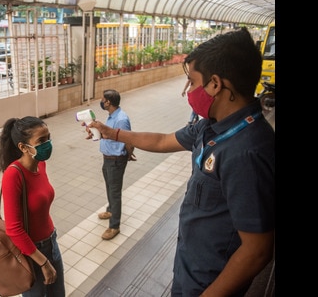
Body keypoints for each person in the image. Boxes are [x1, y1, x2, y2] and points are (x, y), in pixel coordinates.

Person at [86, 27, 274, 296]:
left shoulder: (247, 152)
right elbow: (163, 141)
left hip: (211, 280)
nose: (189, 91)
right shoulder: (210, 126)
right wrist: (111, 132)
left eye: (194, 82)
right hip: (190, 264)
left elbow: (257, 251)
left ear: (216, 84)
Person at [0, 116, 65, 296]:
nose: (47, 144)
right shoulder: (13, 175)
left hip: (51, 242)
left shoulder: (41, 165)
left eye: (48, 138)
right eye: (41, 141)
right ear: (23, 147)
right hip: (31, 253)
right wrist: (43, 262)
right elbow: (13, 229)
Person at [93, 89, 136, 240]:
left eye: (102, 99)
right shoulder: (112, 116)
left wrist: (129, 154)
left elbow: (129, 139)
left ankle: (114, 226)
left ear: (108, 102)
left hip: (116, 160)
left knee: (115, 192)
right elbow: (110, 135)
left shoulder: (121, 119)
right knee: (109, 187)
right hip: (107, 158)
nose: (101, 102)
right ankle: (110, 210)